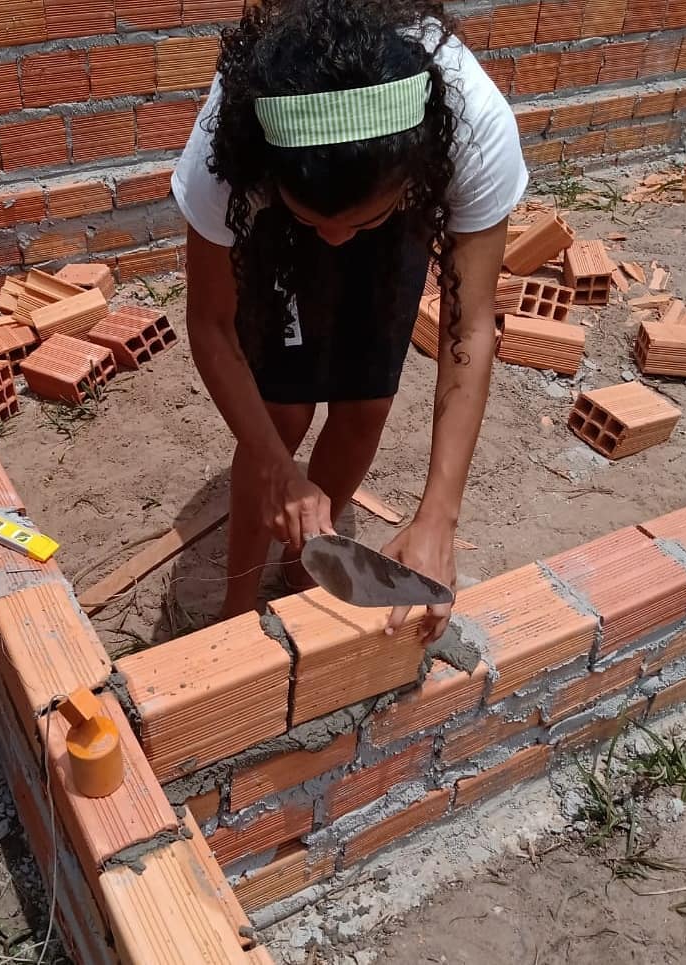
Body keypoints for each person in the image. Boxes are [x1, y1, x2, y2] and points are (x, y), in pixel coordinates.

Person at [173, 0, 527, 638]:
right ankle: (234, 613)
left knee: (366, 404)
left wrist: (437, 518)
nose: (336, 240)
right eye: (317, 223)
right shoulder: (227, 154)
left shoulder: (471, 128)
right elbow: (211, 326)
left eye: (356, 223)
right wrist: (280, 470)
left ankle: (303, 566)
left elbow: (467, 328)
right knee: (280, 416)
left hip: (394, 201)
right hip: (276, 225)